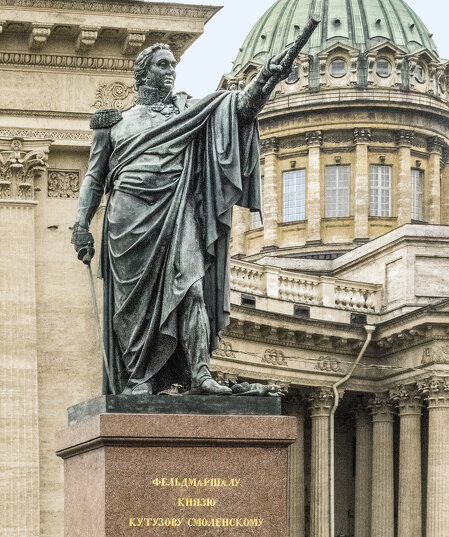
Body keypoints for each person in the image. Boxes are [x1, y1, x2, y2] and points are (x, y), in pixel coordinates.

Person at [71, 42, 297, 396]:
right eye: (163, 65)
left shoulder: (188, 110)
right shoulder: (114, 123)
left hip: (178, 209)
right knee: (135, 305)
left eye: (173, 65)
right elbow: (94, 178)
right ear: (143, 72)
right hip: (128, 218)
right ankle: (140, 378)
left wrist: (267, 77)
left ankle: (200, 373)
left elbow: (239, 109)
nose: (171, 71)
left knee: (191, 288)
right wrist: (81, 225)